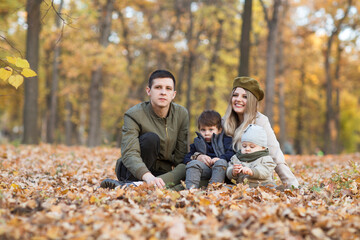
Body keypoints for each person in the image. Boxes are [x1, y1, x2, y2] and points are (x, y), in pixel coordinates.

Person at [100, 70, 189, 189]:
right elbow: (129, 153)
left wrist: (178, 174)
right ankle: (135, 182)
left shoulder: (181, 114)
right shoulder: (134, 115)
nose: (163, 92)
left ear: (173, 94)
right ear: (149, 91)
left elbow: (180, 154)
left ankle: (136, 187)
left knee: (185, 166)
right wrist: (147, 176)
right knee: (151, 139)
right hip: (132, 171)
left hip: (161, 173)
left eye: (168, 88)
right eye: (158, 87)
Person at [223, 76, 299, 188]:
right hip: (231, 178)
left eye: (245, 97)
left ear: (252, 101)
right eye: (235, 95)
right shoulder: (224, 121)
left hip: (257, 180)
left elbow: (275, 155)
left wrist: (292, 185)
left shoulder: (260, 121)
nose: (238, 99)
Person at [183, 110, 235, 189]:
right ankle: (190, 191)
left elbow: (231, 153)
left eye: (211, 130)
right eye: (203, 130)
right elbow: (187, 158)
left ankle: (213, 190)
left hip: (221, 170)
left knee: (221, 162)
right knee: (193, 163)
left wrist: (220, 158)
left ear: (219, 130)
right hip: (206, 170)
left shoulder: (226, 140)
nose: (206, 133)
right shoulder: (197, 142)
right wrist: (197, 157)